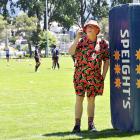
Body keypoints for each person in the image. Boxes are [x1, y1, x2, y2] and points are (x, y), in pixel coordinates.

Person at [68, 20, 110, 133]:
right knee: (79, 99)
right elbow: (71, 52)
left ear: (97, 30)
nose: (89, 28)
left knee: (91, 100)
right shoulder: (81, 42)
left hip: (95, 77)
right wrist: (76, 38)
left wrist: (103, 76)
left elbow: (106, 60)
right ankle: (77, 125)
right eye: (87, 27)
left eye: (92, 26)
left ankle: (91, 125)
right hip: (80, 76)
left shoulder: (103, 44)